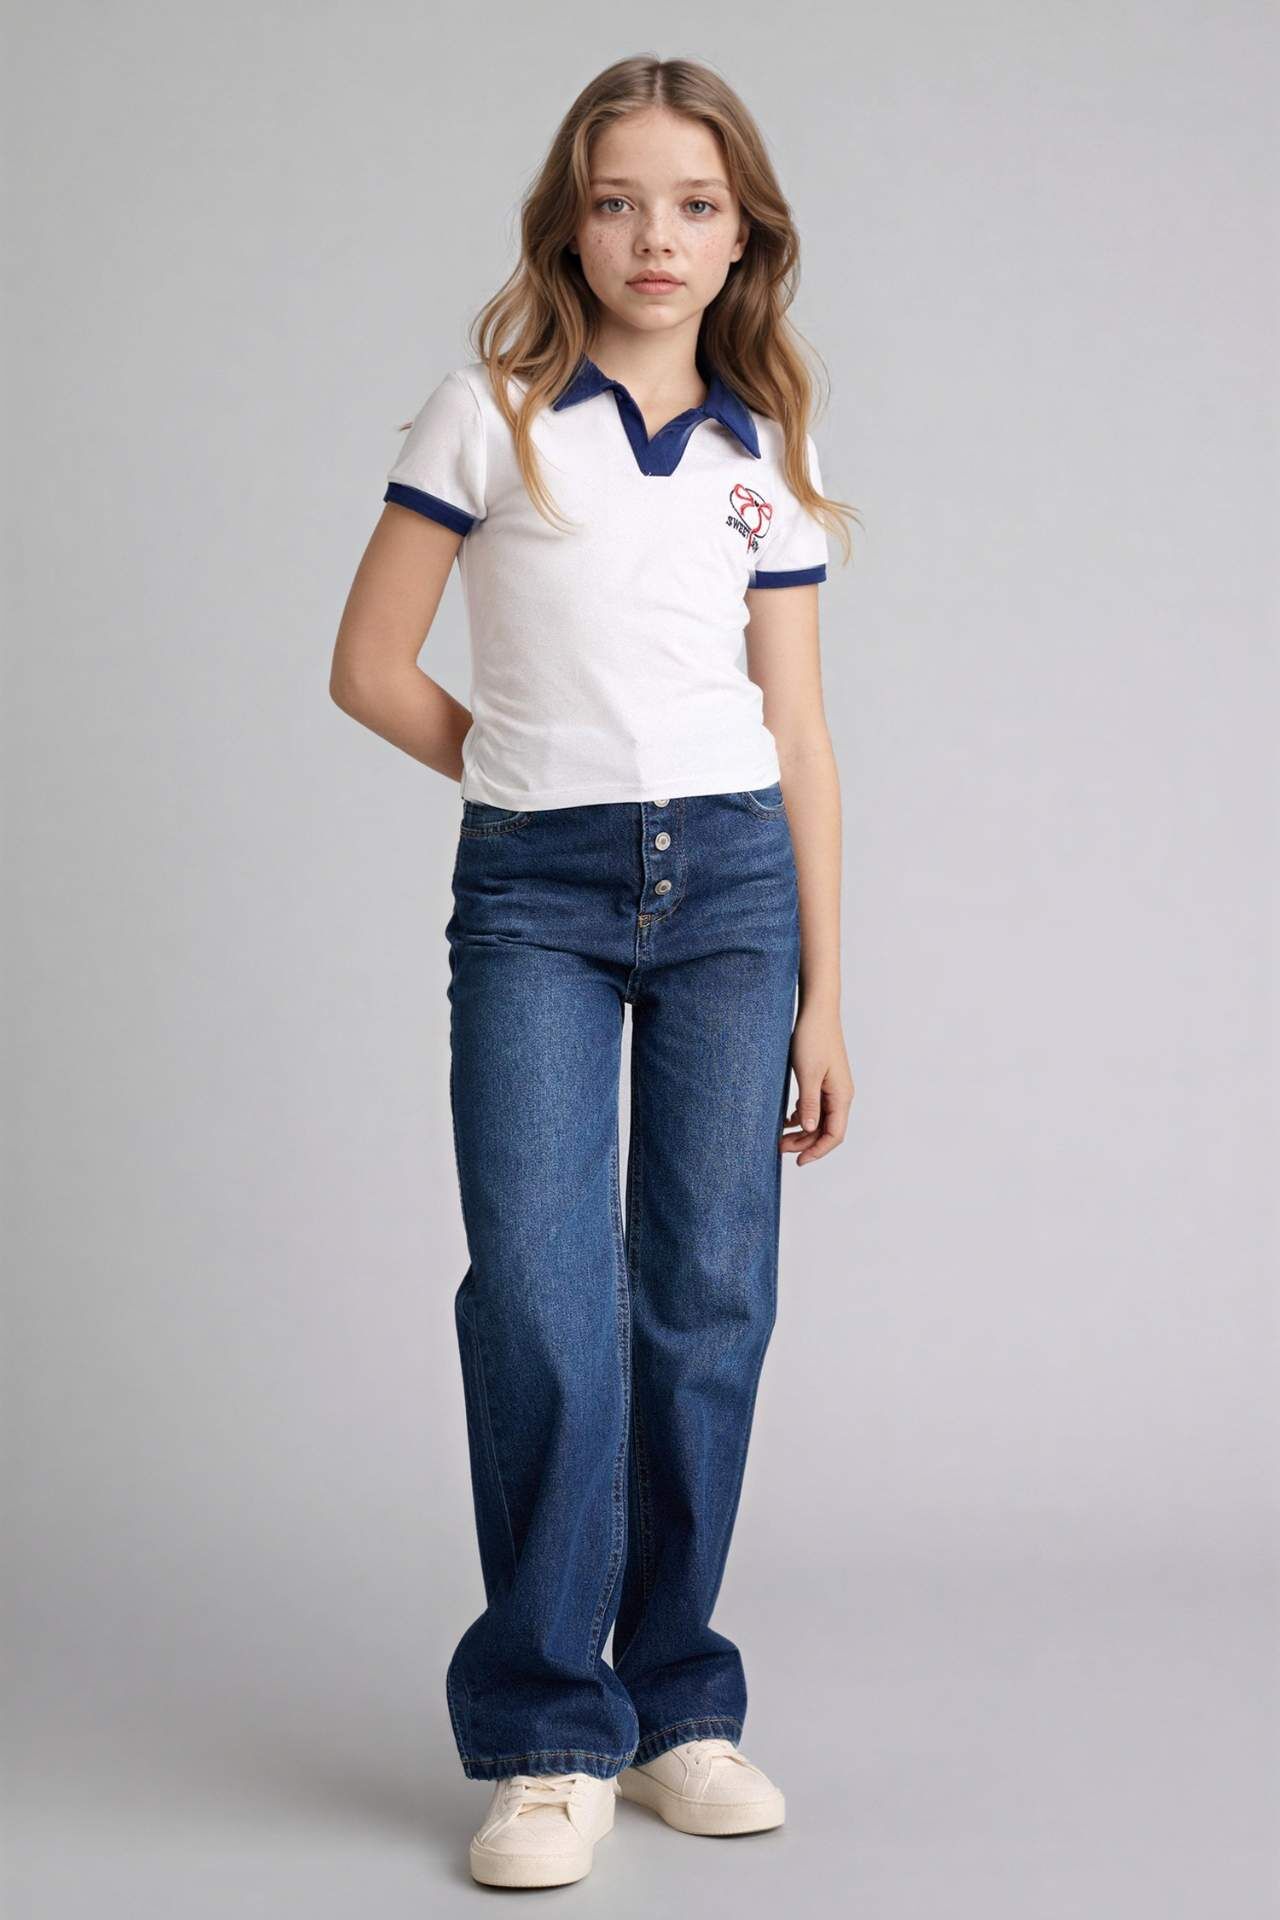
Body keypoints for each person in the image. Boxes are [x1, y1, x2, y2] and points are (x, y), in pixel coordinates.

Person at [330, 53, 858, 1891]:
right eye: (621, 200)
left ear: (744, 236)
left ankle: (678, 1703)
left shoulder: (765, 453)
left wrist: (828, 993)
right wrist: (526, 783)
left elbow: (801, 733)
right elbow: (370, 666)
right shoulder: (487, 415)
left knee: (707, 1302)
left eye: (696, 205)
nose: (657, 237)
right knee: (547, 1298)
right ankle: (551, 1730)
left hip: (734, 897)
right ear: (569, 222)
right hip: (537, 895)